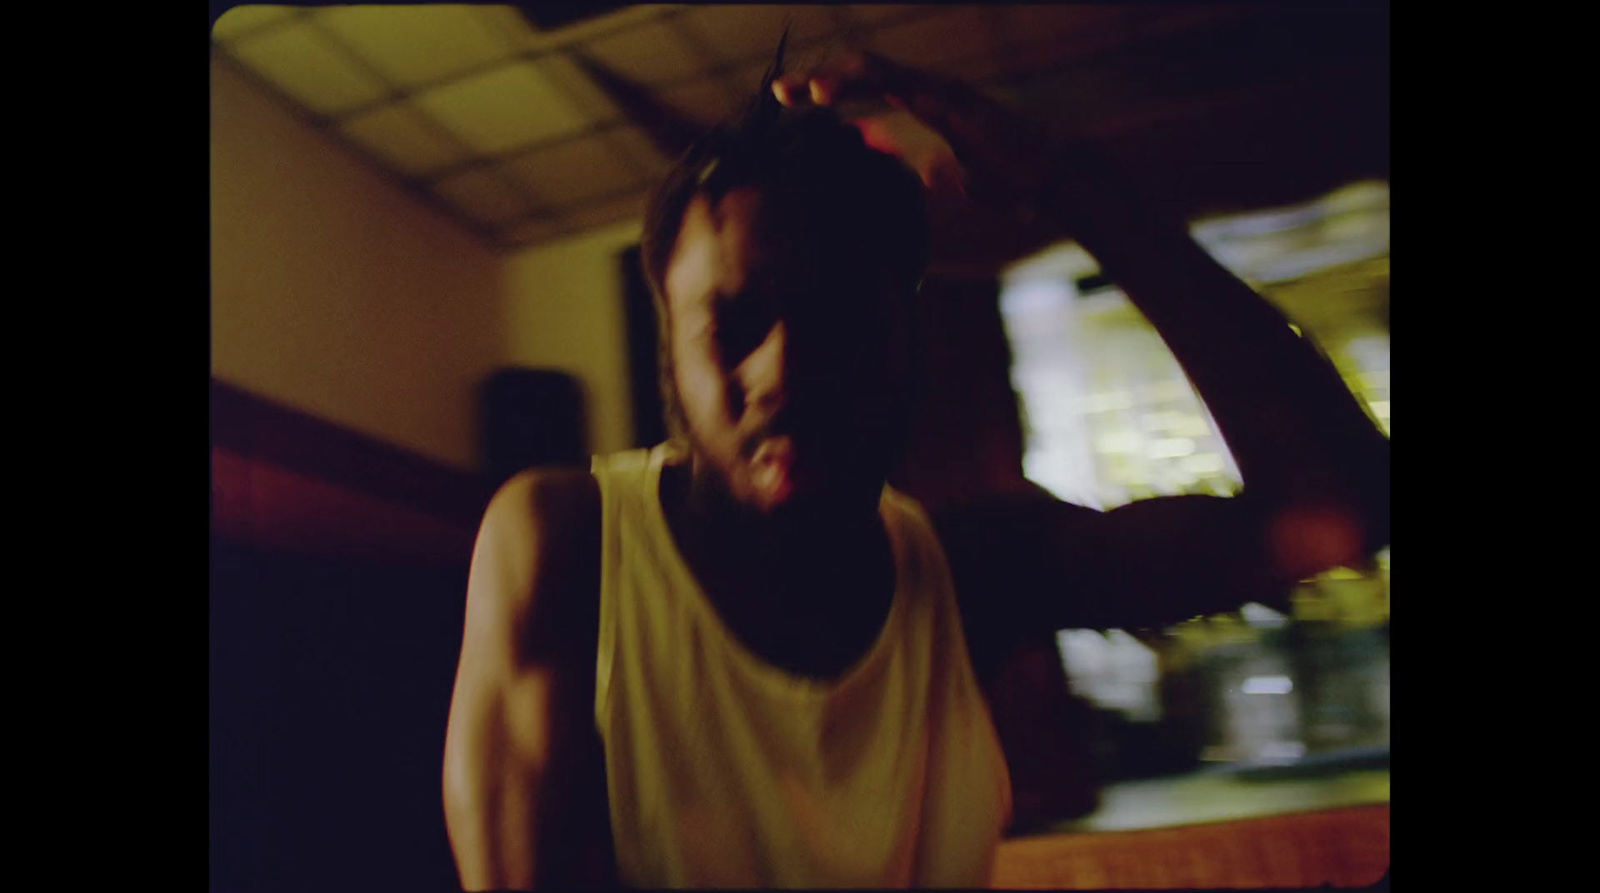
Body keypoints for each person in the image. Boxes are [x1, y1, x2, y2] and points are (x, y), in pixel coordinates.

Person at [441, 46, 1390, 890]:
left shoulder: (972, 575)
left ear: (908, 349)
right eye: (735, 322)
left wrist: (1071, 182)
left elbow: (1337, 510)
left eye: (838, 316)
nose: (784, 370)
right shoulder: (564, 548)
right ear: (669, 361)